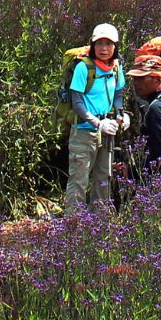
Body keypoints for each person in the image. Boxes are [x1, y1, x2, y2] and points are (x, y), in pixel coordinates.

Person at [65, 23, 127, 213]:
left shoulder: (116, 67)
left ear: (115, 46)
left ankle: (98, 226)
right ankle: (73, 224)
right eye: (99, 43)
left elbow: (117, 95)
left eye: (108, 44)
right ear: (92, 45)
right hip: (84, 132)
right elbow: (77, 103)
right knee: (79, 180)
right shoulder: (83, 68)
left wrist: (120, 114)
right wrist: (97, 123)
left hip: (107, 131)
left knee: (104, 178)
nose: (104, 48)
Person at [125, 53, 161, 178]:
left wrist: (132, 173)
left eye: (142, 78)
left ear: (158, 78)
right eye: (135, 78)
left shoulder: (156, 108)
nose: (136, 83)